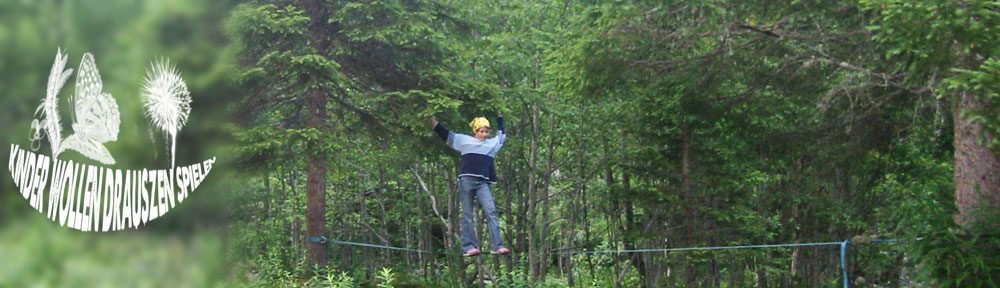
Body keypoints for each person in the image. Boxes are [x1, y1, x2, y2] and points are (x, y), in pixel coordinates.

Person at [429, 114, 511, 256]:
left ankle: (497, 246)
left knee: (491, 211)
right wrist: (433, 121)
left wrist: (500, 119)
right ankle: (468, 247)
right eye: (481, 131)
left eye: (486, 132)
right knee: (467, 214)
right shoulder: (464, 141)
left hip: (482, 183)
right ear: (475, 131)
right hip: (466, 181)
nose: (484, 134)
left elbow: (502, 136)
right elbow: (446, 135)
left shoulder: (492, 145)